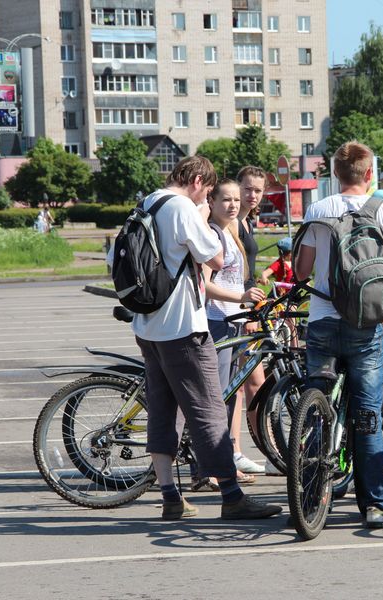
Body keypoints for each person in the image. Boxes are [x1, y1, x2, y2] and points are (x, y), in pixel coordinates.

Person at [126, 155, 281, 520]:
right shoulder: (181, 206)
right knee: (210, 409)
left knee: (163, 411)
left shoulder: (149, 200)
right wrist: (201, 215)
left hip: (148, 326)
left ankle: (170, 497)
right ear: (197, 180)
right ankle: (231, 495)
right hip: (182, 327)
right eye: (209, 190)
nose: (207, 197)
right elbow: (215, 258)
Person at [294, 141, 383, 528]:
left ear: (334, 174)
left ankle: (310, 497)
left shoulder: (318, 209)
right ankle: (376, 504)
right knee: (366, 416)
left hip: (323, 322)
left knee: (315, 411)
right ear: (368, 174)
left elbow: (301, 272)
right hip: (366, 324)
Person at [198, 178, 268, 489]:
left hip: (233, 320)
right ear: (211, 202)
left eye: (236, 199)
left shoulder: (231, 232)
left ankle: (221, 463)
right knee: (218, 397)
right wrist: (239, 298)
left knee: (227, 396)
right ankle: (211, 467)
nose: (234, 204)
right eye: (226, 199)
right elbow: (205, 286)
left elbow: (234, 279)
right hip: (217, 321)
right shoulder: (213, 234)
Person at [231, 166, 272, 475]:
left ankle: (269, 451)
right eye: (247, 188)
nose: (252, 195)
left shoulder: (246, 220)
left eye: (257, 190)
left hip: (247, 308)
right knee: (239, 384)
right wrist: (246, 308)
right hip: (235, 311)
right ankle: (233, 451)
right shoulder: (232, 221)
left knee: (254, 382)